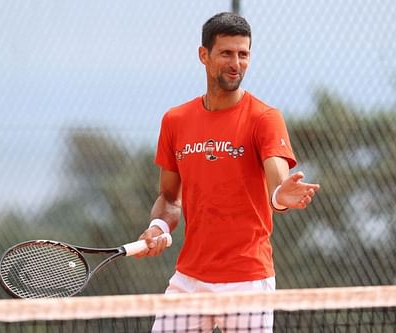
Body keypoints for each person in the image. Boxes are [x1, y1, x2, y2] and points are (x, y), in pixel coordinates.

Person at [135, 12, 320, 333]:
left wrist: (280, 196)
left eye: (243, 54)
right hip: (189, 281)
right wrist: (157, 225)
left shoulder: (265, 118)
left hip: (248, 282)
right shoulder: (175, 121)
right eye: (226, 53)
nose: (236, 62)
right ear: (203, 55)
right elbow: (169, 196)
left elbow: (277, 183)